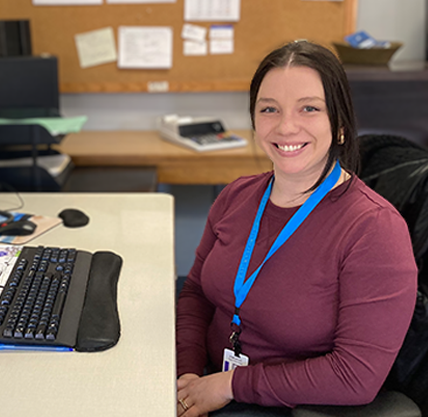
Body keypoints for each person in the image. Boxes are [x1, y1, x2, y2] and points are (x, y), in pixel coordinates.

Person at [175, 41, 417, 417]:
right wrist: (185, 381)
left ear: (339, 126)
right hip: (206, 387)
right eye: (269, 109)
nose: (286, 126)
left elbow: (356, 375)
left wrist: (229, 385)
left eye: (309, 108)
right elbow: (196, 296)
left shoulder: (374, 230)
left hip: (287, 406)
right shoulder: (236, 196)